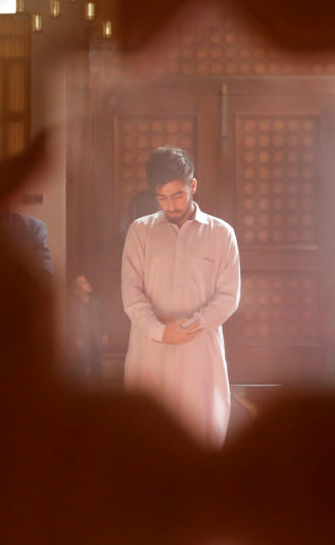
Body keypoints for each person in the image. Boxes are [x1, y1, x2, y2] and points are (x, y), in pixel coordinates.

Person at [121, 146, 241, 447]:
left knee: (202, 433)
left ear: (193, 186)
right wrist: (161, 332)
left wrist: (186, 329)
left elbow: (229, 297)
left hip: (199, 351)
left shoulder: (220, 233)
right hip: (149, 350)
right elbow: (131, 295)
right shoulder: (140, 231)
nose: (171, 205)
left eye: (178, 195)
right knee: (147, 439)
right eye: (162, 197)